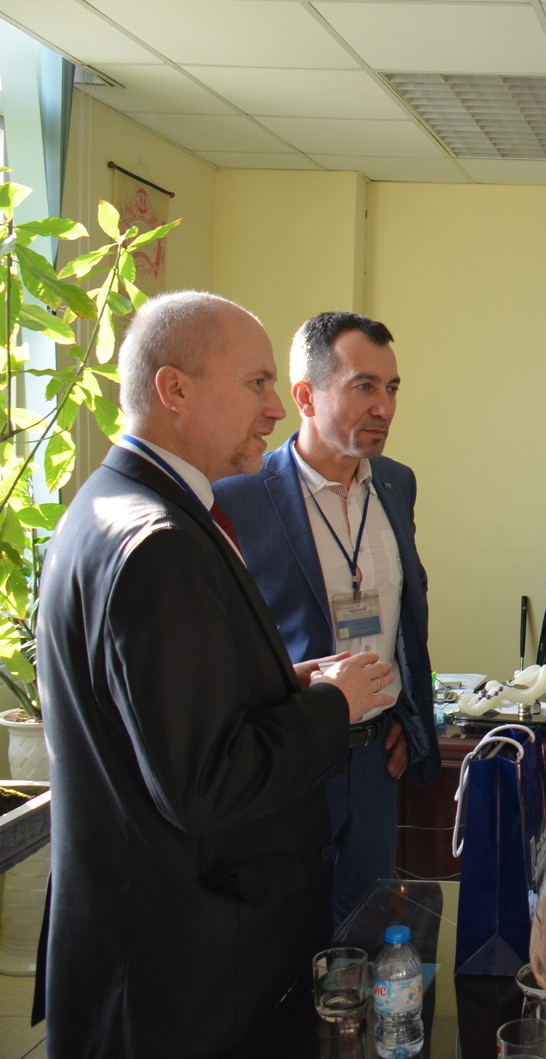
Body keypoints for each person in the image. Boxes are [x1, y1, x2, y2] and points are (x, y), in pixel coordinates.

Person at [34, 291, 395, 1056]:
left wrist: (286, 682)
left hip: (153, 942)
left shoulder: (109, 504)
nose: (275, 407)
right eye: (257, 382)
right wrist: (331, 704)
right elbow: (204, 781)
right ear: (174, 389)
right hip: (177, 962)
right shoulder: (157, 542)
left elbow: (161, 708)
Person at [215, 311, 439, 927]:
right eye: (364, 386)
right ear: (305, 397)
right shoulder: (237, 494)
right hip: (290, 761)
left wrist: (405, 714)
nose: (384, 408)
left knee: (368, 932)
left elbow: (405, 614)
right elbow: (228, 646)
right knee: (288, 938)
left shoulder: (395, 484)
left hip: (375, 763)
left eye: (391, 388)